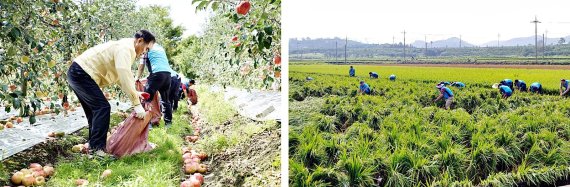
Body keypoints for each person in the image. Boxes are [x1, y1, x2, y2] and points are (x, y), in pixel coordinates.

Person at [67, 30, 154, 156]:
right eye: (146, 48)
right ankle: (97, 150)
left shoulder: (125, 47)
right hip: (81, 73)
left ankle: (93, 148)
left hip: (77, 72)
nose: (145, 52)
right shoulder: (126, 49)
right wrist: (136, 103)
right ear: (139, 41)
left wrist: (135, 92)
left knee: (95, 111)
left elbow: (120, 77)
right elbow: (124, 74)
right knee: (102, 107)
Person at [136, 43, 175, 126]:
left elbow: (141, 66)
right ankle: (168, 123)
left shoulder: (146, 48)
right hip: (167, 75)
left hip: (157, 74)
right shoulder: (160, 48)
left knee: (146, 98)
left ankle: (147, 124)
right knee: (165, 100)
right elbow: (159, 64)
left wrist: (137, 78)